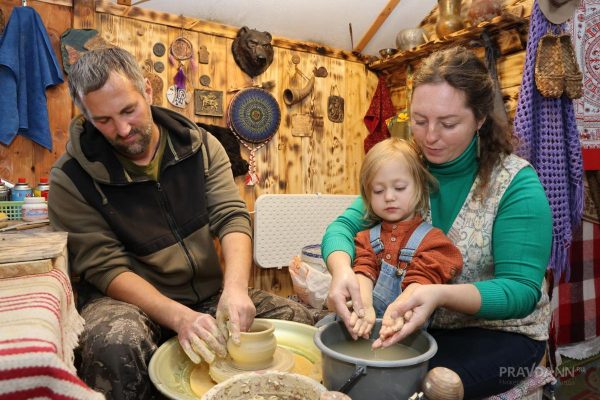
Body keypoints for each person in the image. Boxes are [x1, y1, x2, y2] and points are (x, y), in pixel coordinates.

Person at [48, 47, 315, 400]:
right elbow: (104, 267)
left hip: (206, 292)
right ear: (86, 115)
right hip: (128, 301)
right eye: (104, 121)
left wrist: (235, 289)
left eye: (129, 110)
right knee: (116, 345)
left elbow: (231, 217)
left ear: (148, 91)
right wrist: (178, 317)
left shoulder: (201, 146)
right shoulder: (71, 179)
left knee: (299, 320)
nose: (123, 129)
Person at [322, 46, 553, 399]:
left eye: (447, 124)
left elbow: (521, 291)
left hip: (503, 337)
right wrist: (342, 272)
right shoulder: (406, 169)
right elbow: (342, 228)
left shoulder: (516, 184)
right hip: (422, 328)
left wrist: (439, 294)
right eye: (418, 120)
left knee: (428, 387)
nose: (429, 137)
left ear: (479, 119)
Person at [348, 138, 463, 339]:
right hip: (366, 329)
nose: (389, 197)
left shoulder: (433, 240)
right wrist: (364, 305)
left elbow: (423, 279)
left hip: (408, 335)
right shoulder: (366, 237)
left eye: (399, 188)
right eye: (378, 190)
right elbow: (363, 270)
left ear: (419, 188)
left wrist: (398, 310)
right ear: (367, 195)